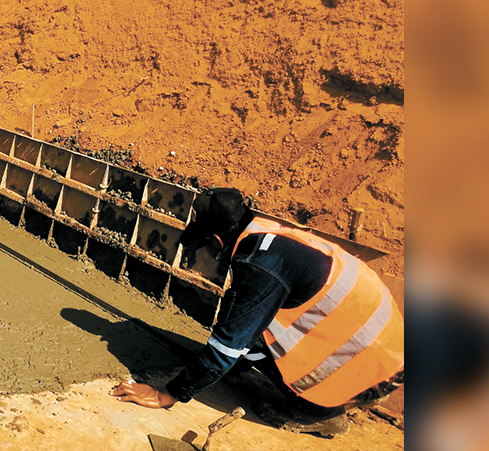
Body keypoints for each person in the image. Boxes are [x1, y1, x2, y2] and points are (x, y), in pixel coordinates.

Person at [111, 188, 404, 438]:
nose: (209, 255)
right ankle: (342, 391)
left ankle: (320, 412)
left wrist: (167, 395)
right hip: (384, 349)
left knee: (237, 330)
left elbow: (228, 344)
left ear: (217, 240)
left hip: (370, 367)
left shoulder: (262, 265)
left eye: (205, 246)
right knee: (239, 311)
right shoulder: (269, 232)